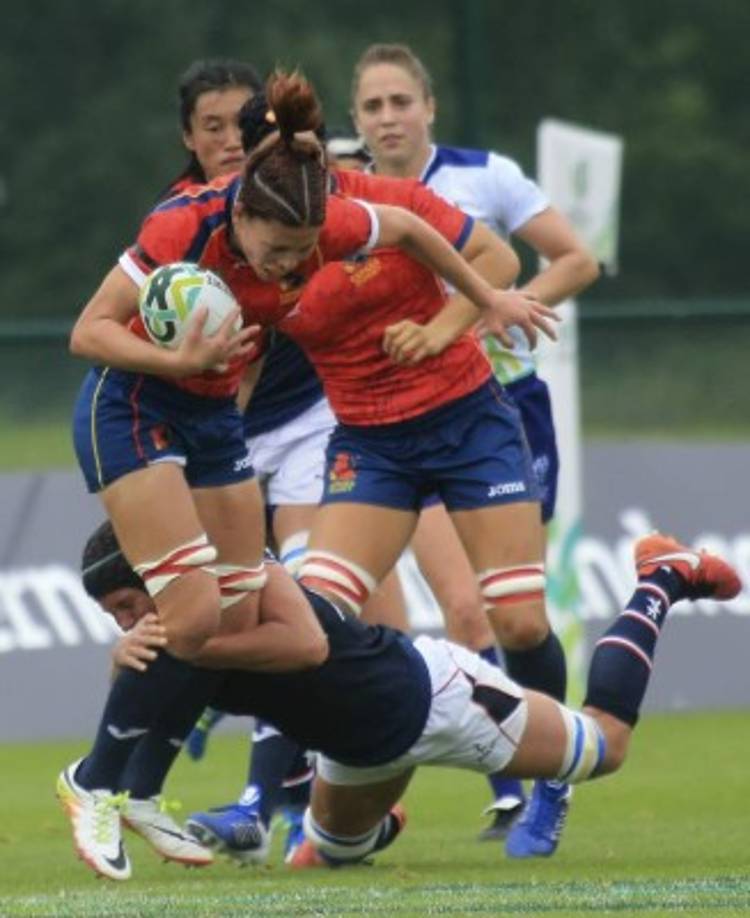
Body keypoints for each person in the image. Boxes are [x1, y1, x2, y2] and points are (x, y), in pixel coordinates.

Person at [60, 68, 556, 879]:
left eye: (304, 254)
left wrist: (484, 300)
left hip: (216, 413)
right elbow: (88, 331)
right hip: (134, 408)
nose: (292, 269)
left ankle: (146, 791)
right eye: (278, 252)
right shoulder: (182, 224)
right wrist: (175, 357)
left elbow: (406, 227)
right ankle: (94, 783)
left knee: (240, 604)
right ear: (241, 214)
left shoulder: (320, 223)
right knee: (189, 620)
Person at [64, 519, 741, 879]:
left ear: (159, 577)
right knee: (324, 859)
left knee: (605, 748)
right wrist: (124, 661)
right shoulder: (185, 630)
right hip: (357, 749)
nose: (128, 622)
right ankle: (378, 822)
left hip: (438, 701)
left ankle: (661, 579)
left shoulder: (242, 586)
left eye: (129, 605)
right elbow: (160, 700)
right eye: (114, 618)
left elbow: (306, 649)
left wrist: (172, 654)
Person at [350, 42, 601, 853]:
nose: (388, 117)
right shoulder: (349, 199)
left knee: (518, 622)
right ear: (356, 121)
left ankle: (548, 781)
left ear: (429, 108)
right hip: (402, 423)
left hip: (502, 411)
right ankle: (503, 786)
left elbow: (577, 258)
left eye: (401, 102)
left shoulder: (483, 175)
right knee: (455, 609)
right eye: (373, 106)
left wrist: (503, 302)